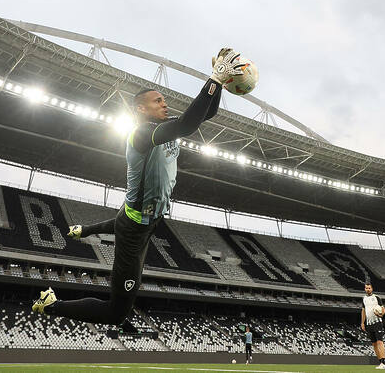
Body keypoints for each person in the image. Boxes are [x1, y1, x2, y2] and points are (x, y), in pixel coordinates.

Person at [32, 48, 244, 324]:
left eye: (164, 100)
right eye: (158, 101)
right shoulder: (142, 134)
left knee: (120, 220)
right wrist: (213, 80)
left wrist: (220, 84)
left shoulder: (164, 128)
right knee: (117, 313)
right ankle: (51, 305)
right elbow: (188, 124)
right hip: (135, 230)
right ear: (141, 109)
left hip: (142, 220)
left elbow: (206, 113)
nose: (164, 104)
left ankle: (84, 231)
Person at [361, 282, 385, 369]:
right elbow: (363, 311)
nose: (367, 289)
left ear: (372, 289)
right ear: (365, 289)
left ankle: (383, 362)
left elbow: (383, 310)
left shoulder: (376, 298)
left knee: (380, 341)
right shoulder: (364, 298)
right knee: (374, 344)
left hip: (377, 322)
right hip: (369, 324)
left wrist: (380, 315)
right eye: (366, 288)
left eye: (369, 288)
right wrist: (362, 323)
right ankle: (380, 363)